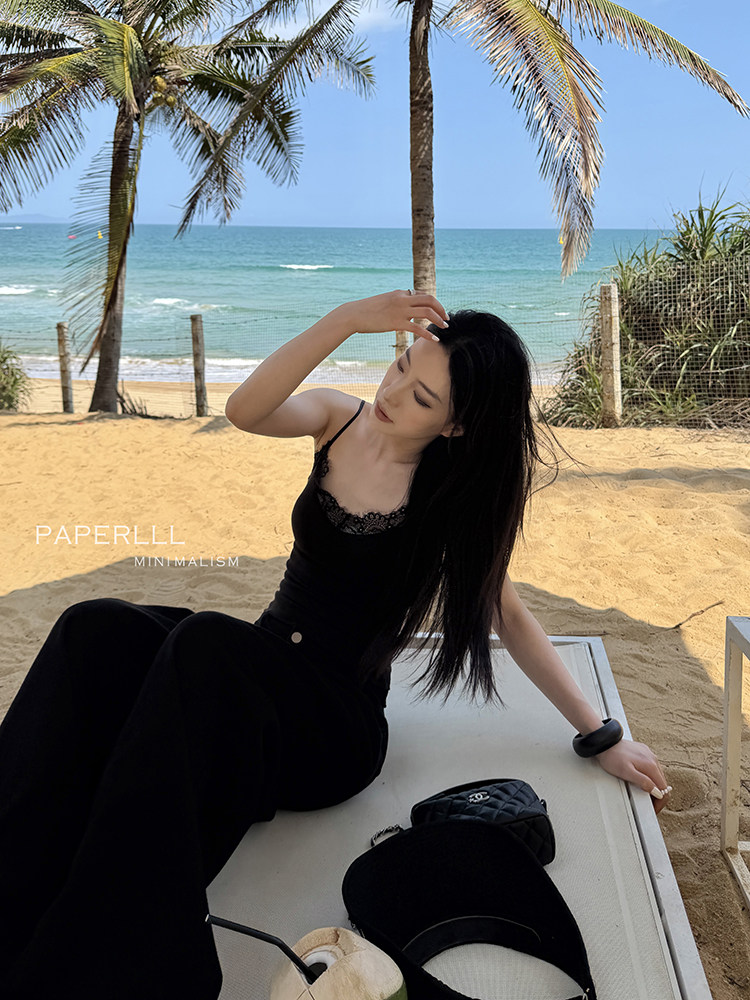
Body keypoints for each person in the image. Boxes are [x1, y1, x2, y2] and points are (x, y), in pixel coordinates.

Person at [0, 289, 669, 1000]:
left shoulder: (447, 502)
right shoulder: (336, 419)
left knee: (202, 642)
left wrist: (601, 735)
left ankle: (125, 959)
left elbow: (508, 616)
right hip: (256, 672)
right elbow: (245, 409)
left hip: (331, 729)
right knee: (94, 628)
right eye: (401, 366)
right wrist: (346, 320)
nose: (392, 394)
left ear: (454, 426)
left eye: (421, 398)